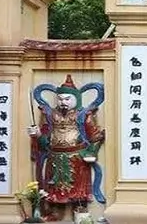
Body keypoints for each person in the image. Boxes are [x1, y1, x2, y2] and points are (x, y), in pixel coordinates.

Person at [28, 75, 105, 216]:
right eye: (60, 99)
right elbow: (45, 140)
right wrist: (38, 134)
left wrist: (91, 152)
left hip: (76, 158)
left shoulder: (83, 115)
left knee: (77, 190)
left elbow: (95, 136)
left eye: (67, 99)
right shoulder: (50, 115)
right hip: (54, 157)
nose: (63, 102)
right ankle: (52, 213)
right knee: (53, 187)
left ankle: (80, 212)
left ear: (76, 99)